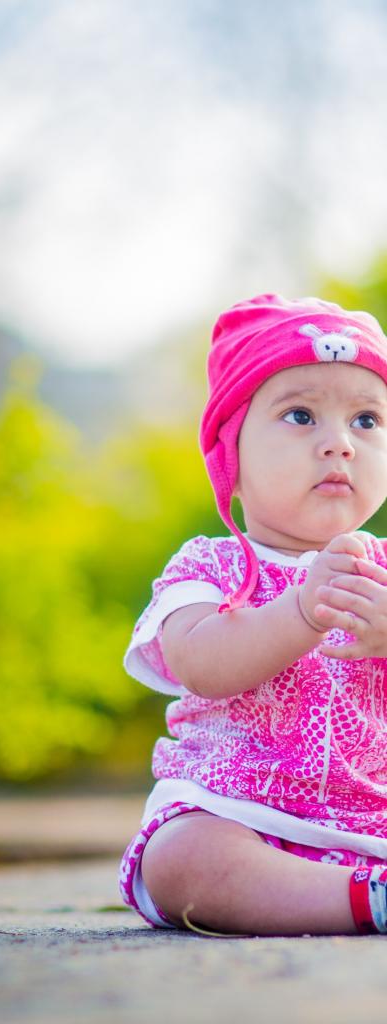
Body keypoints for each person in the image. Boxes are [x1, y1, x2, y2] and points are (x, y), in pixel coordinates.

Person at [118, 293, 387, 937]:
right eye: (300, 415)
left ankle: (363, 891)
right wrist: (298, 611)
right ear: (231, 458)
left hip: (374, 825)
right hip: (237, 816)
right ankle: (367, 902)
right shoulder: (209, 566)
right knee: (180, 860)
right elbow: (199, 663)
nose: (339, 445)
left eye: (366, 420)